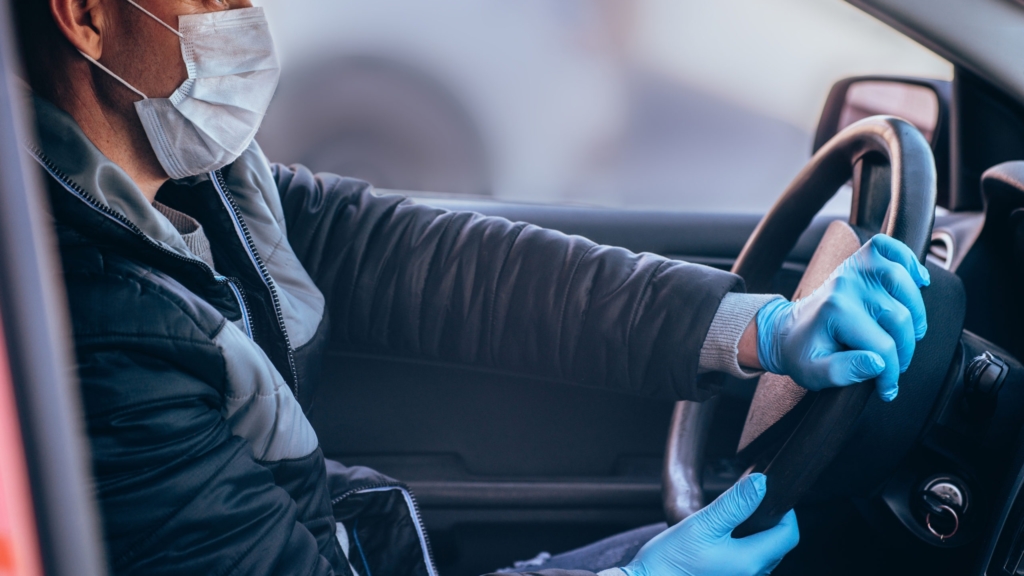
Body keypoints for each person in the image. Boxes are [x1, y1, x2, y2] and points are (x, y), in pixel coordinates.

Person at [11, 1, 930, 575]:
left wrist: (756, 328)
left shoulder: (199, 183)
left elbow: (446, 268)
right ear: (85, 16)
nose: (249, 21)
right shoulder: (93, 333)